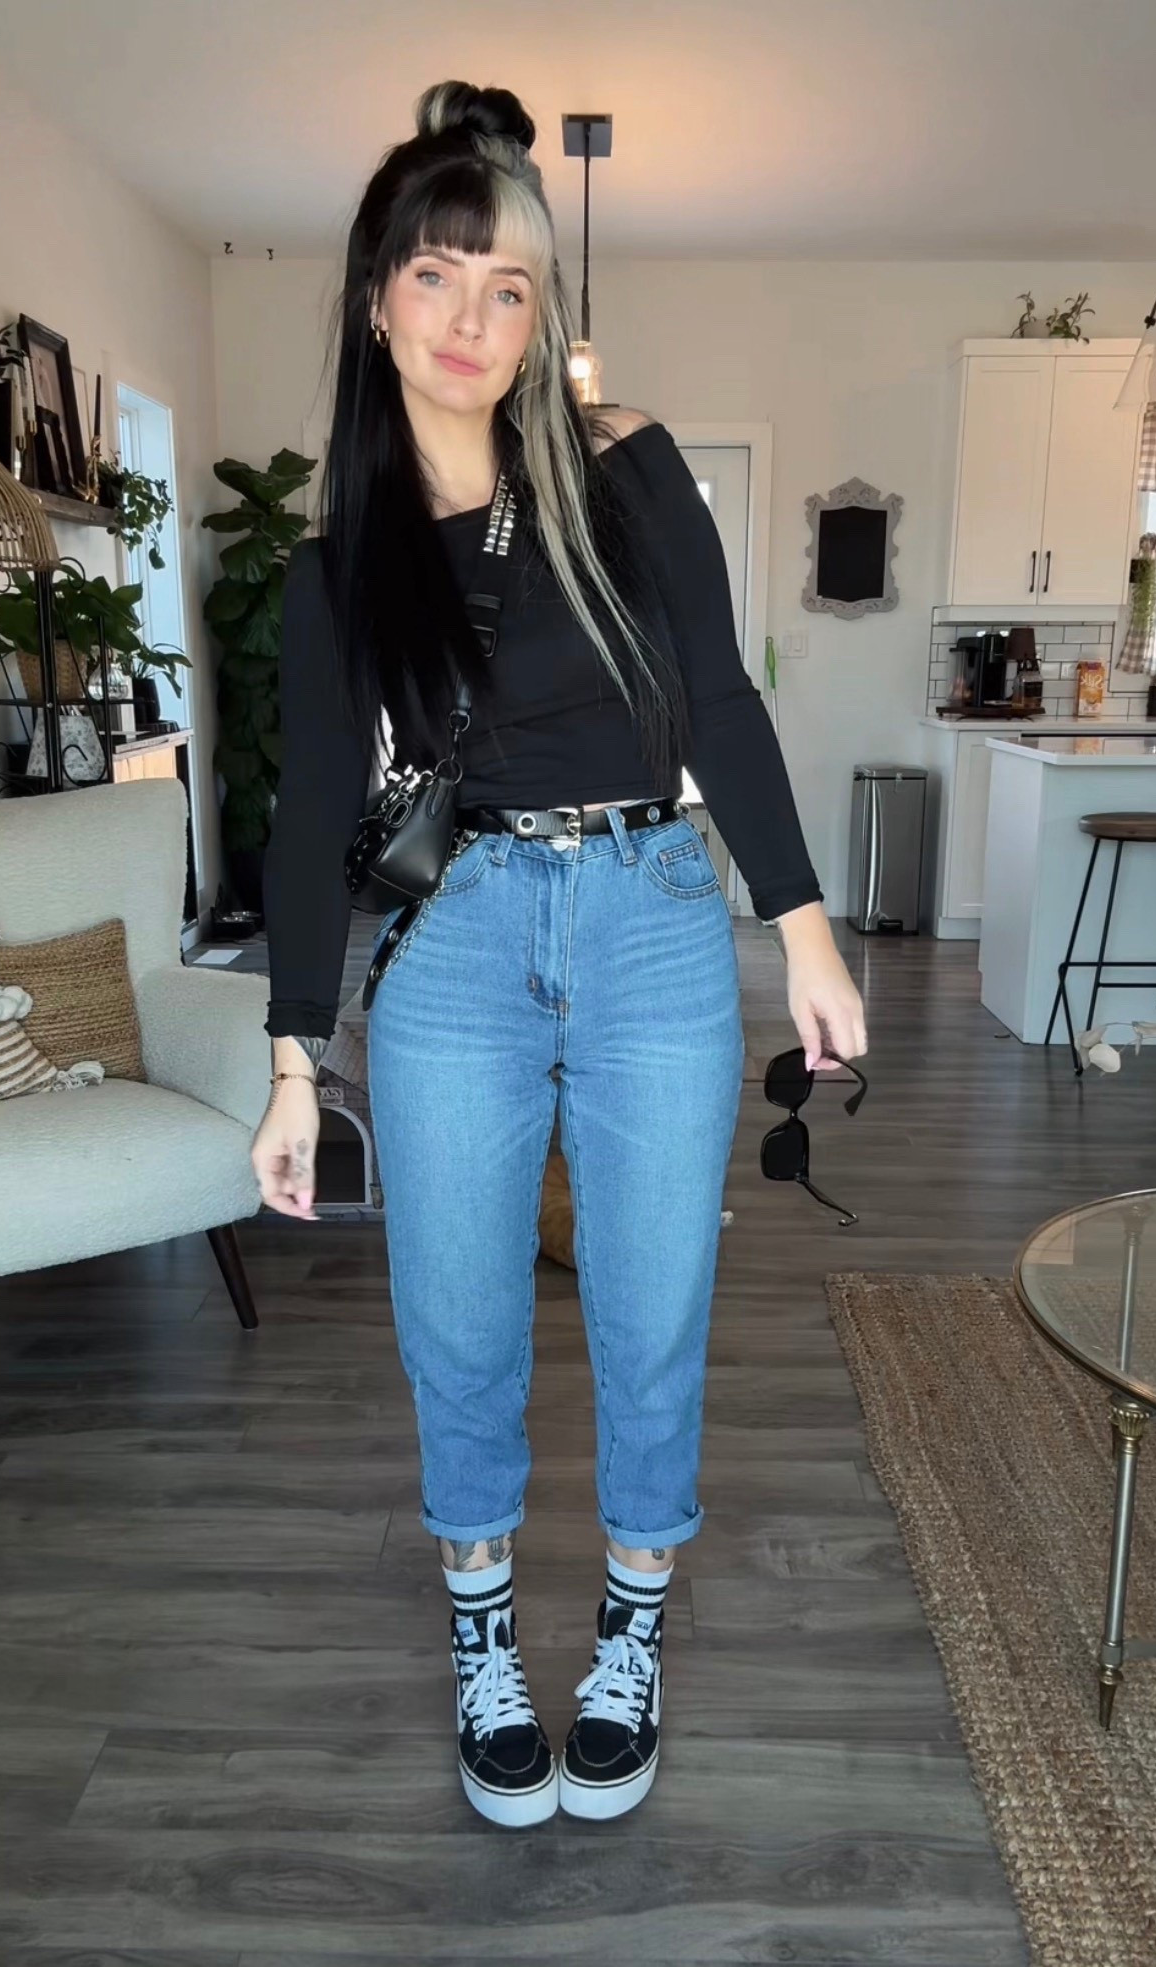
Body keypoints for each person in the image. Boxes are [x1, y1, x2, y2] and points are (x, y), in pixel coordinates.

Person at [252, 78, 867, 1831]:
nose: (470, 320)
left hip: (659, 922)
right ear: (379, 299)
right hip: (456, 949)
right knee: (456, 1321)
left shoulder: (625, 471)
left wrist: (806, 932)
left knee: (652, 1306)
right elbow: (310, 828)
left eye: (508, 287)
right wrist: (297, 1068)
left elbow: (726, 705)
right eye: (439, 277)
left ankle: (630, 1635)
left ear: (542, 318)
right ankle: (481, 1640)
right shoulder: (337, 570)